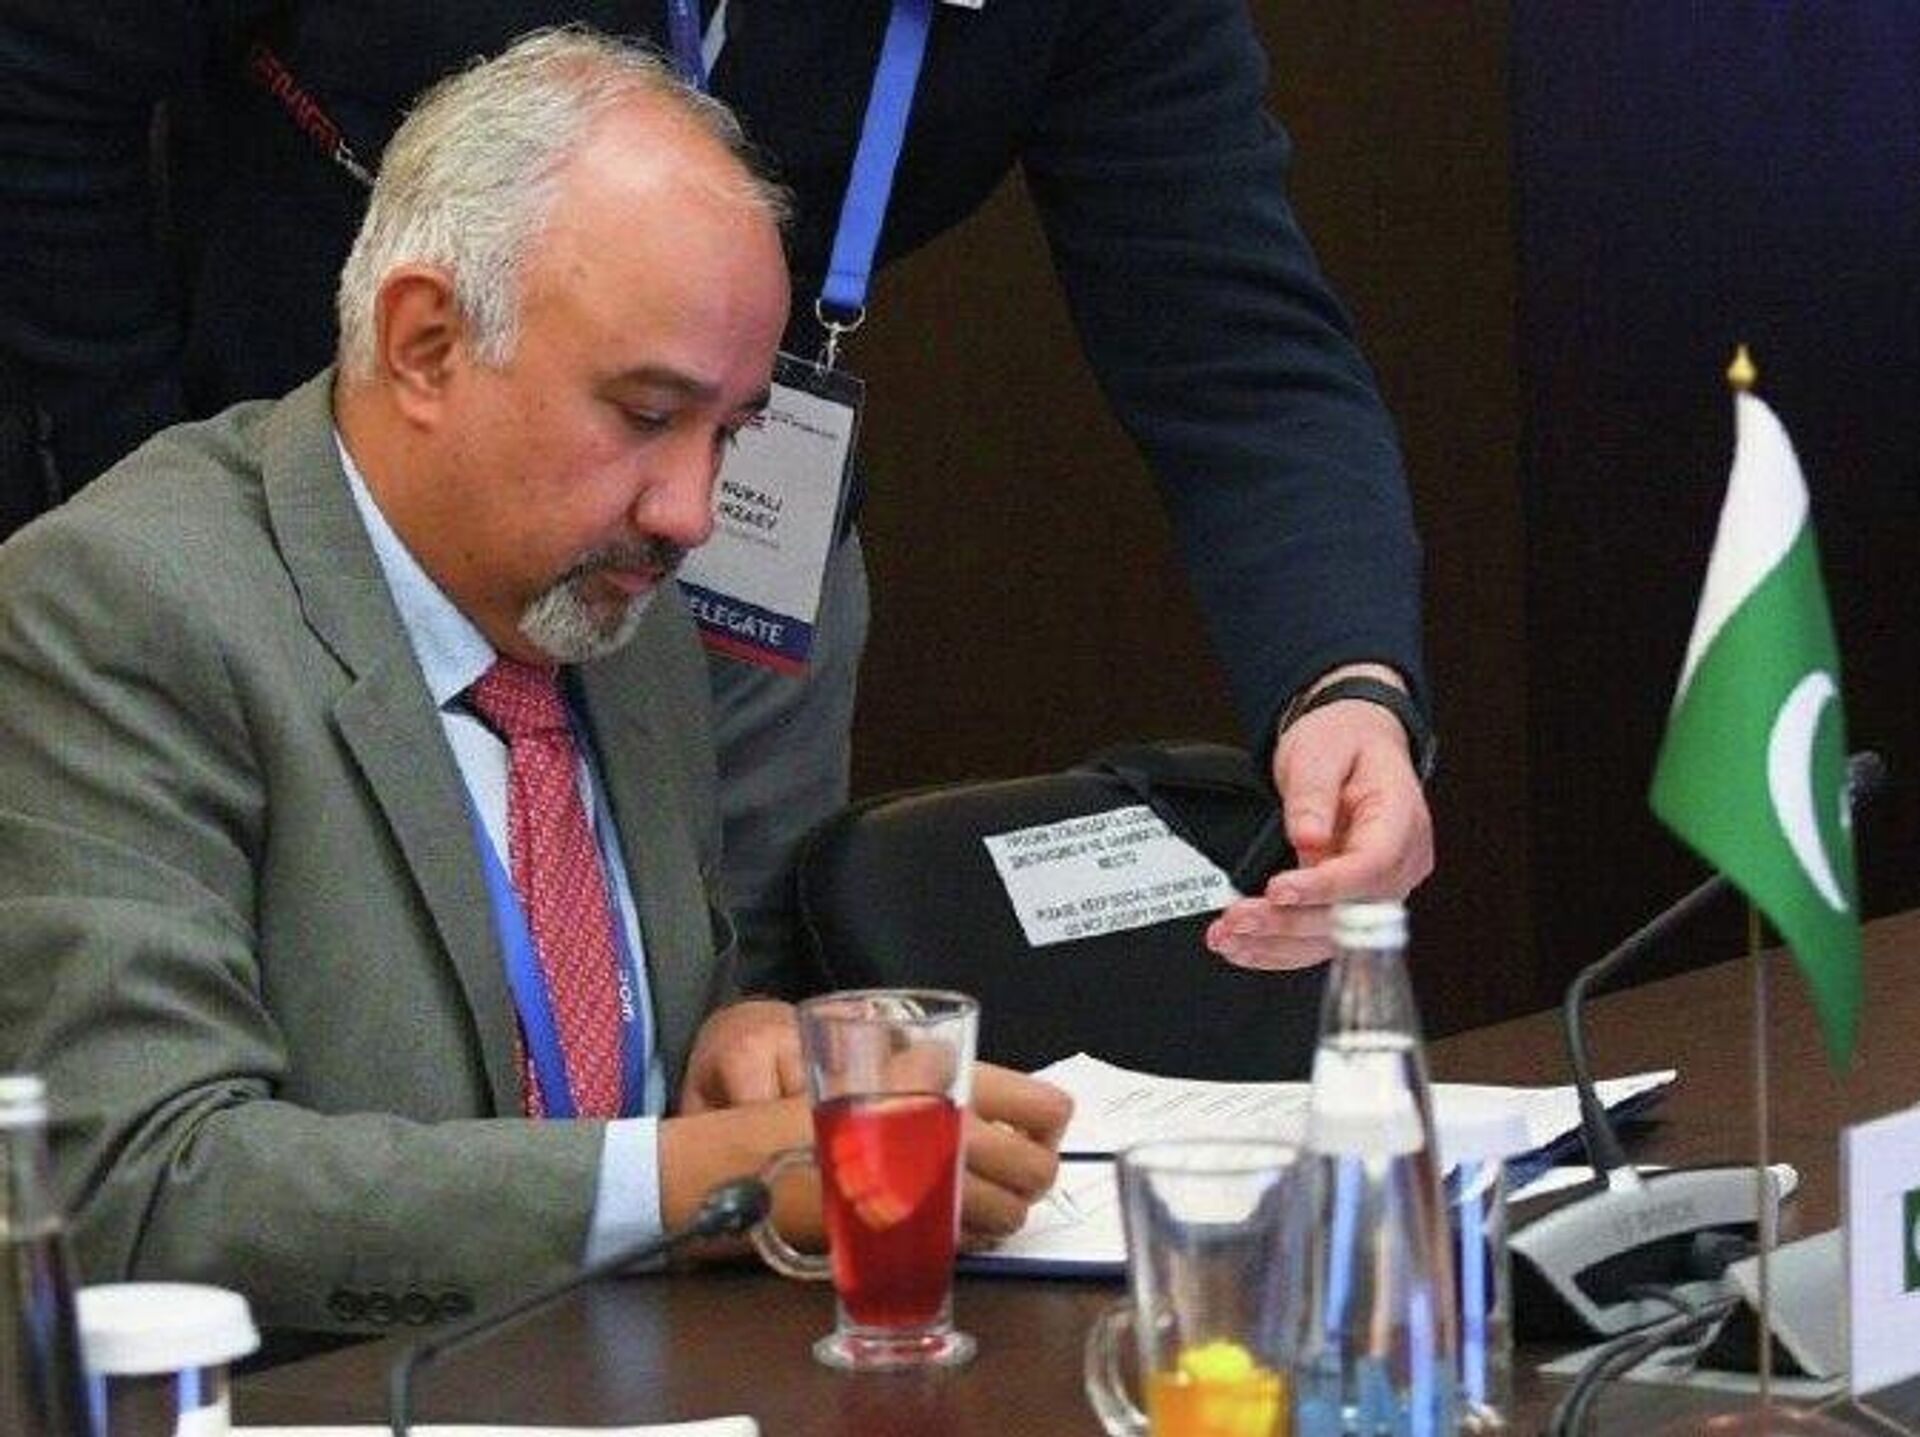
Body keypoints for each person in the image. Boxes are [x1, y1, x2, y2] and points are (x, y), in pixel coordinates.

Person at [0, 0, 1434, 985]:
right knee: (348, 1028)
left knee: (718, 1039)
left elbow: (1232, 338)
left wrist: (1345, 685)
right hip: (341, 499)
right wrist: (169, 504)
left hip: (749, 555)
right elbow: (43, 78)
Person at [0, 30, 1069, 1335]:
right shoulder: (125, 609)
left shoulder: (620, 611)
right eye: (647, 415)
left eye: (727, 435)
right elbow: (136, 1186)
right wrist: (692, 1178)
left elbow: (581, 1062)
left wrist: (725, 1049)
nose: (689, 513)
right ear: (425, 343)